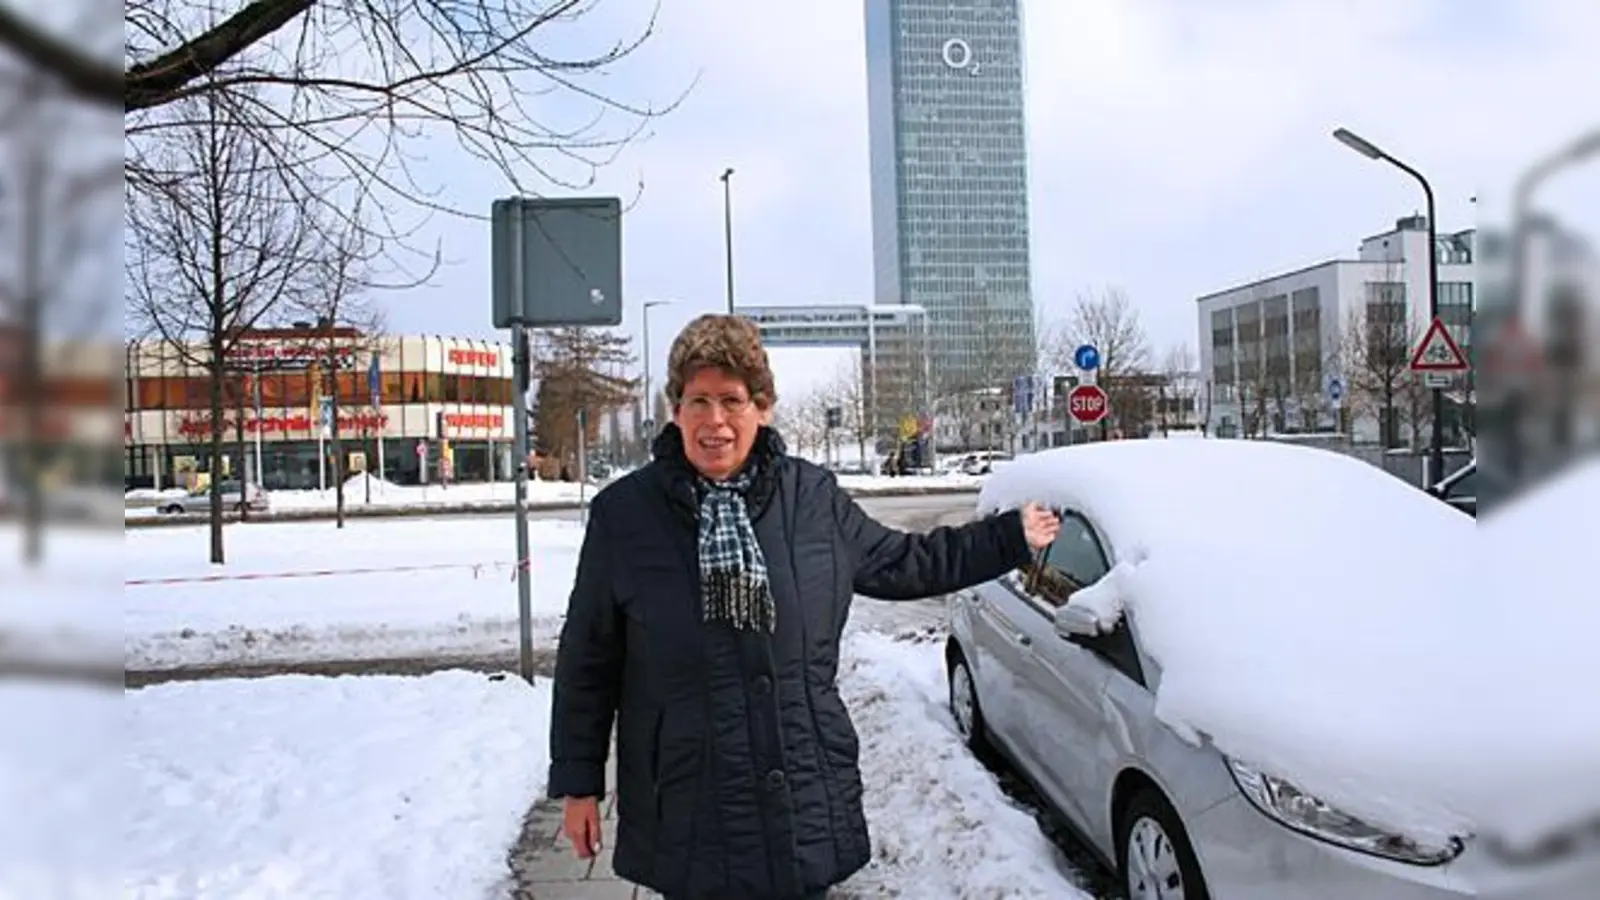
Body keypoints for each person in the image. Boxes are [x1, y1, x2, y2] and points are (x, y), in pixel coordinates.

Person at [548, 315, 1060, 900]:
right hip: (687, 802)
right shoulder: (625, 516)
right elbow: (588, 659)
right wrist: (579, 784)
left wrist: (1008, 538)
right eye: (698, 401)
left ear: (762, 409)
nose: (715, 421)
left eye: (732, 401)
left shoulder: (810, 499)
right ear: (676, 409)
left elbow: (906, 562)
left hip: (797, 790)